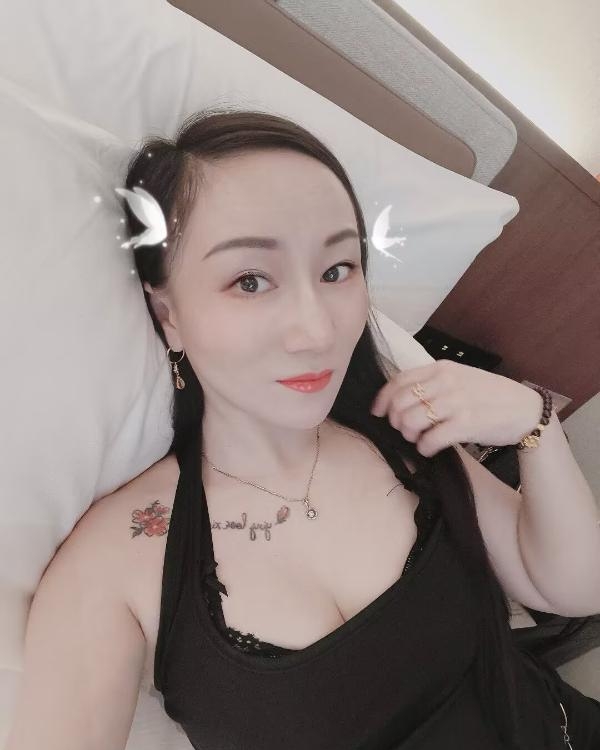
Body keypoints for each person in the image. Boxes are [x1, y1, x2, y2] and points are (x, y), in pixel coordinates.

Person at [7, 107, 600, 750]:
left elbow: (570, 587)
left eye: (337, 270)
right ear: (169, 314)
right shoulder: (119, 561)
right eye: (251, 280)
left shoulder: (397, 430)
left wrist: (534, 423)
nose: (317, 331)